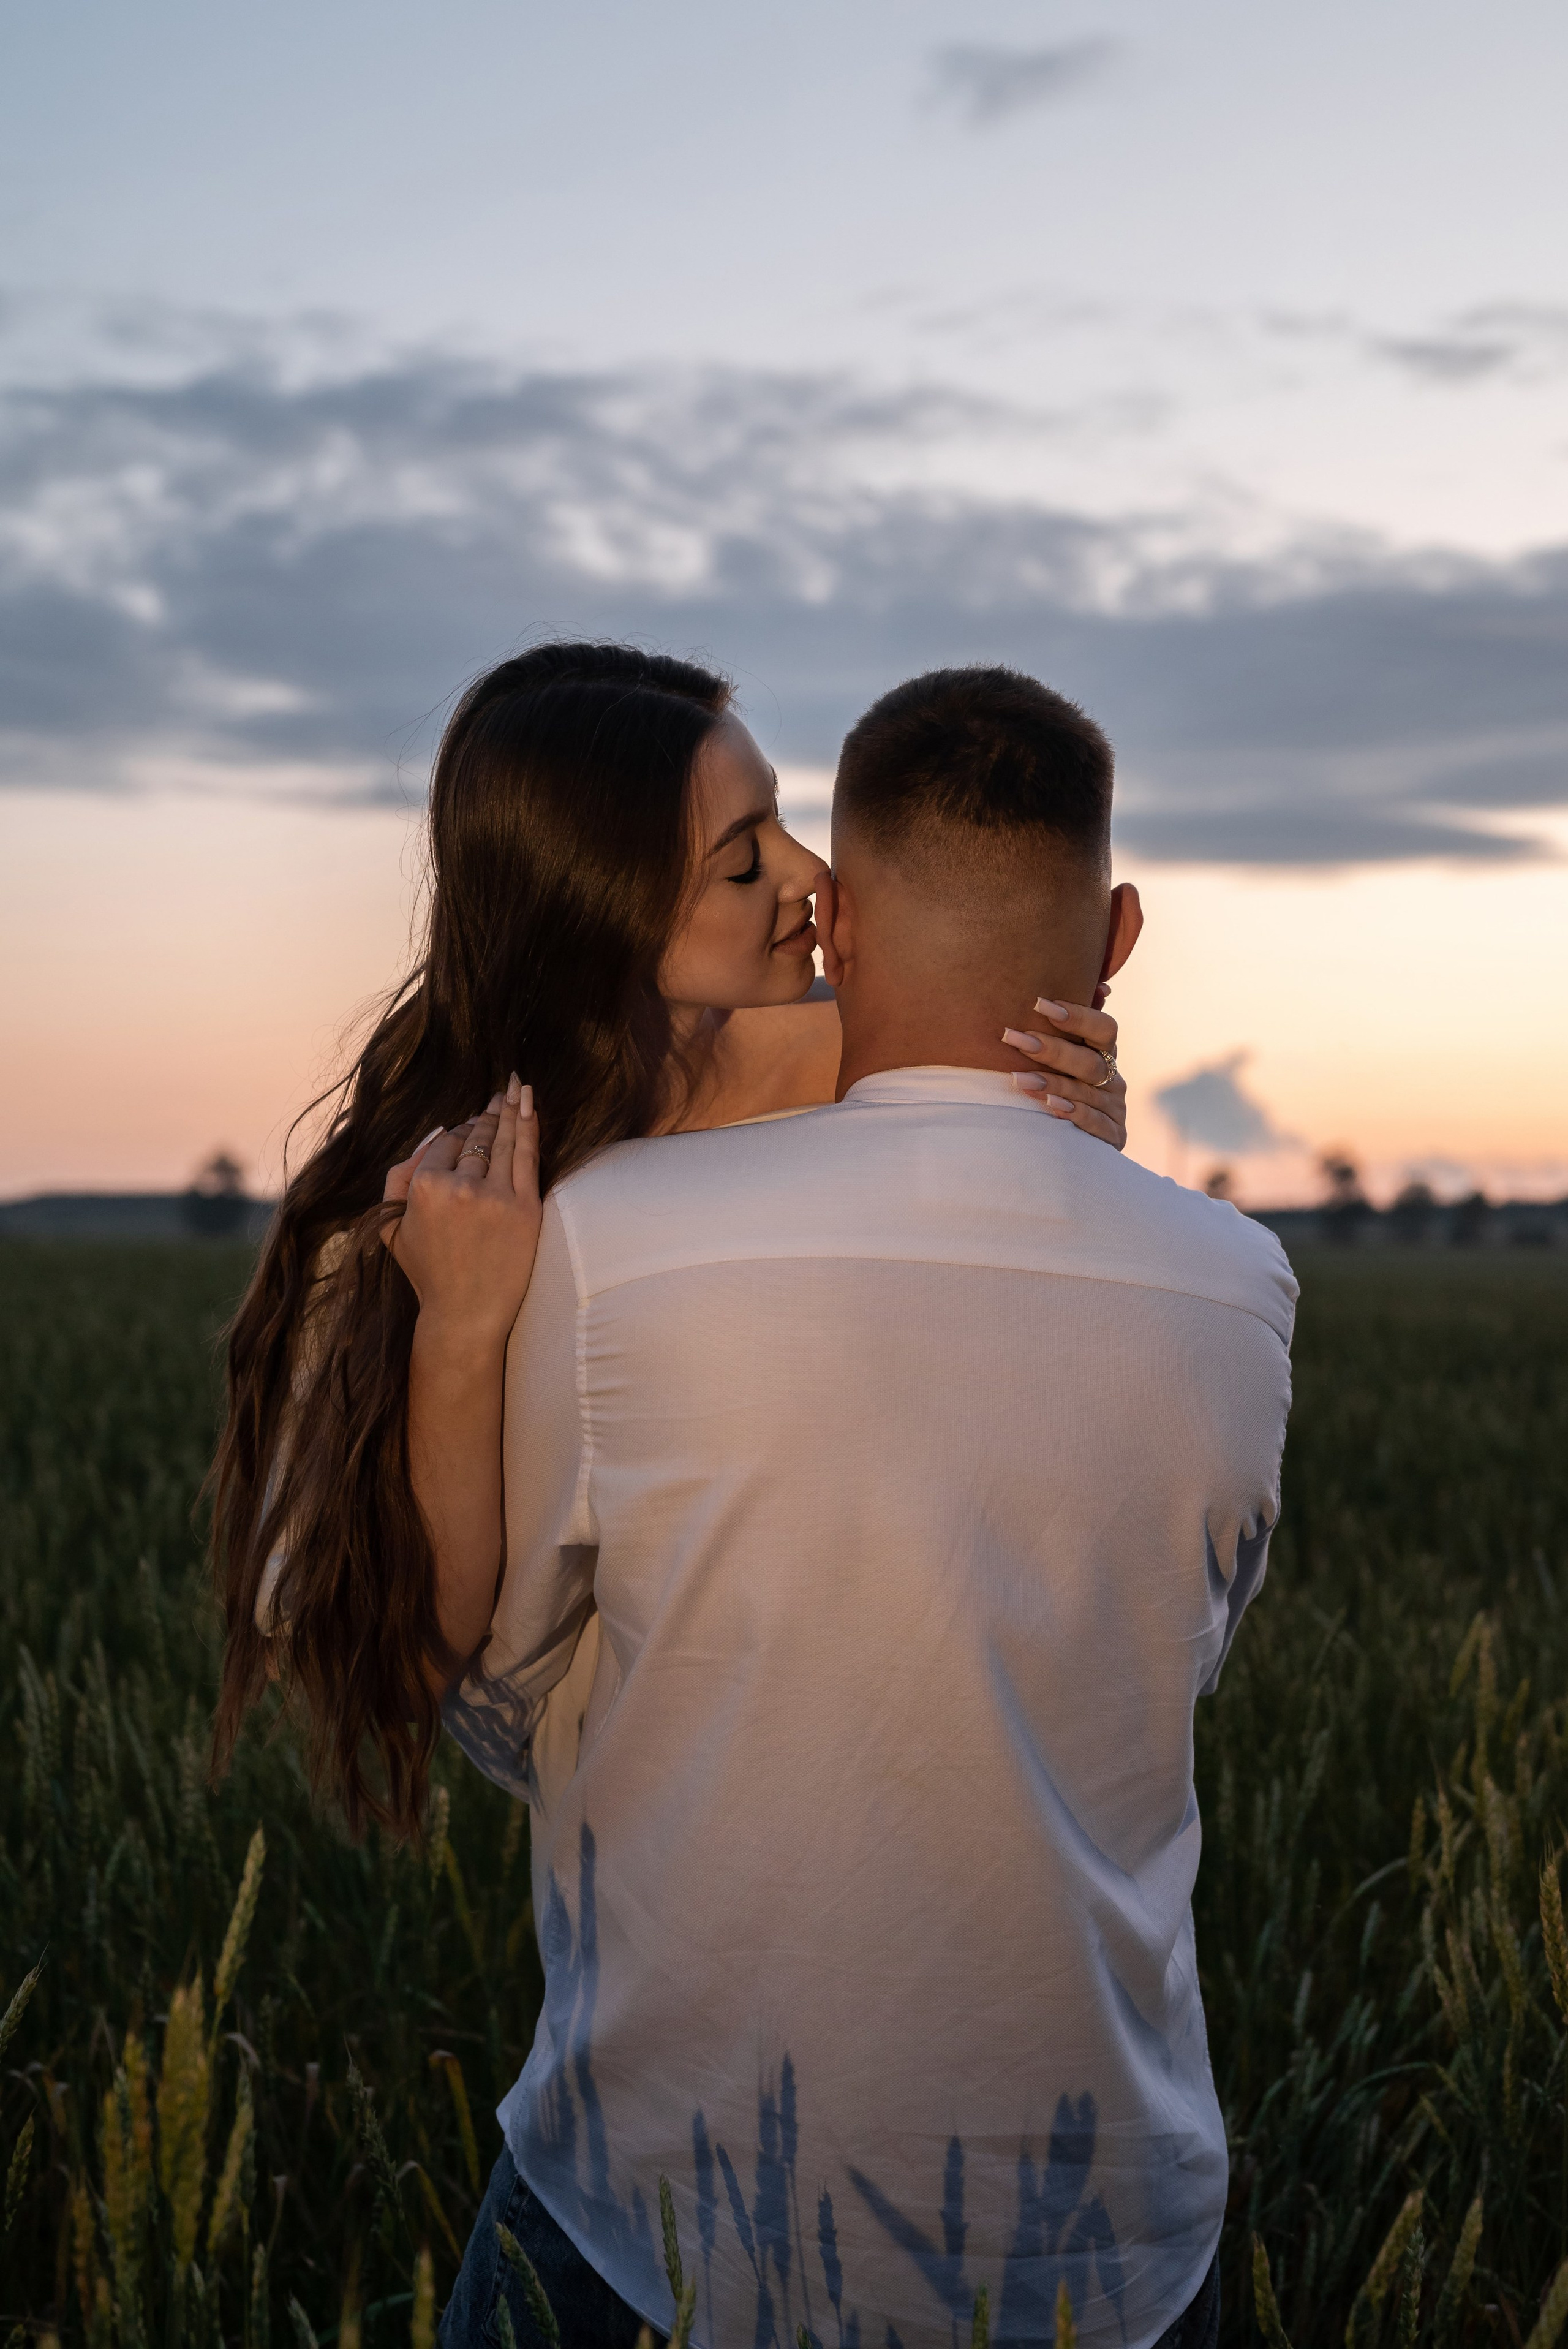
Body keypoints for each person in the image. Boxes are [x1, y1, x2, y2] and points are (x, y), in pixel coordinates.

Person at [435, 667, 1295, 2349]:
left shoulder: (607, 1238)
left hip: (656, 2213)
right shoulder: (1240, 1289)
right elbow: (1162, 1663)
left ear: (842, 923)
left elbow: (495, 1685)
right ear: (1116, 937)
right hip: (1103, 2253)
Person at [210, 644, 1128, 1840]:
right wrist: (462, 1332)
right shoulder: (417, 1204)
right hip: (648, 1838)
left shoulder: (853, 1058)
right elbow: (411, 1664)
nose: (813, 876)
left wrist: (1069, 1139)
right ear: (601, 907)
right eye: (744, 860)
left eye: (785, 822)